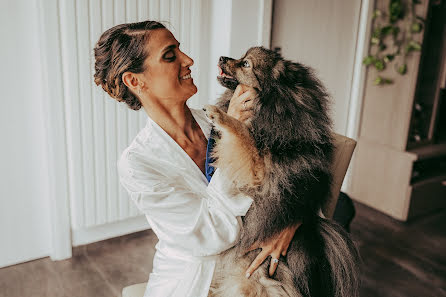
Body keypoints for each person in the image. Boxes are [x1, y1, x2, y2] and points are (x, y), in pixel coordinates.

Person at [93, 20, 300, 297]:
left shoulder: (219, 118)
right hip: (194, 282)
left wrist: (292, 221)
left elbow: (292, 177)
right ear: (135, 80)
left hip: (261, 268)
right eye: (170, 56)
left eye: (181, 50)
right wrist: (235, 134)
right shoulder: (138, 164)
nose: (188, 60)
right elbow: (211, 235)